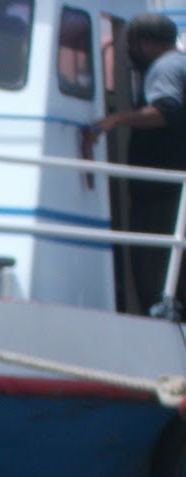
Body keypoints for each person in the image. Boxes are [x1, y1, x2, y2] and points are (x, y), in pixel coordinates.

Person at [85, 12, 186, 316]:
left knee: (153, 263)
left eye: (129, 47)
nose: (128, 55)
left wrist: (116, 119)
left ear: (145, 44)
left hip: (162, 192)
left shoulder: (165, 67)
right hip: (171, 189)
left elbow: (165, 110)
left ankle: (161, 314)